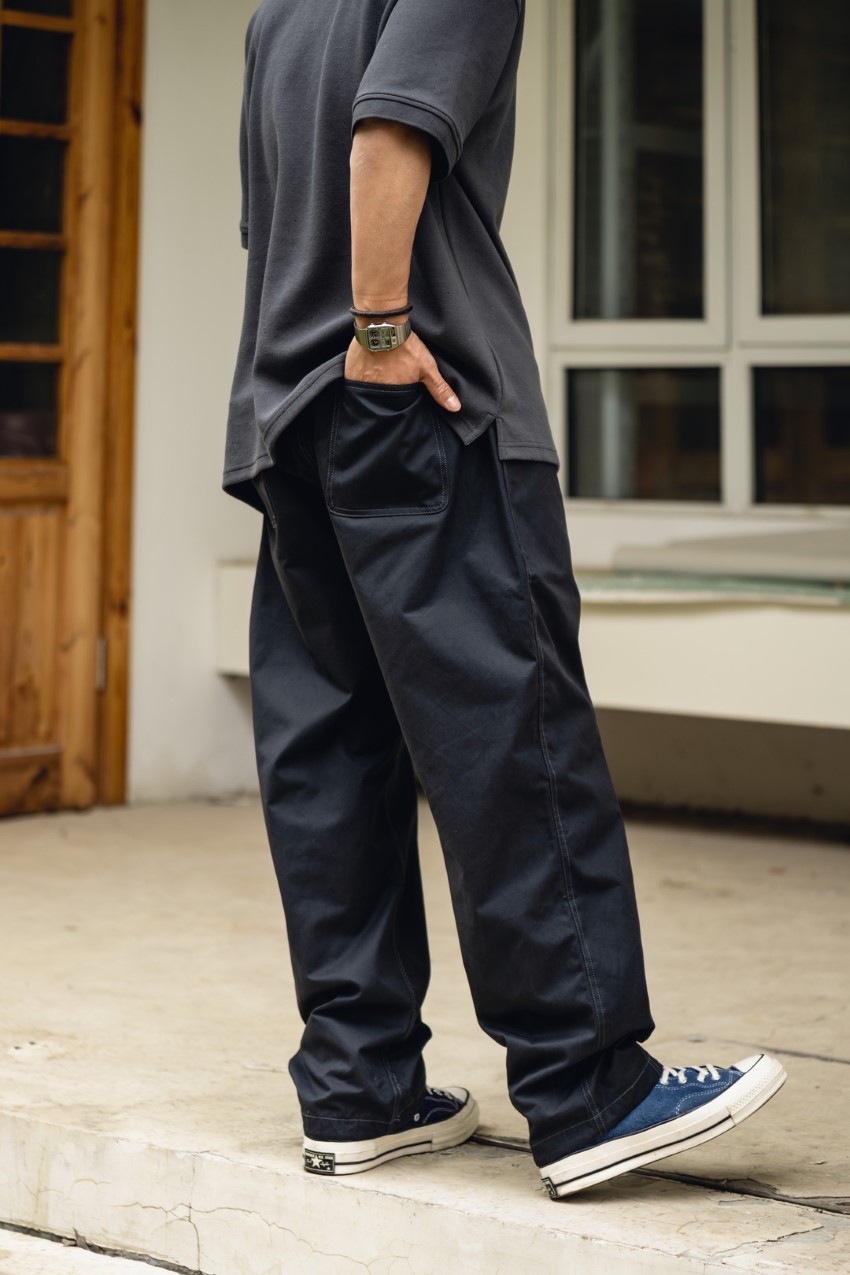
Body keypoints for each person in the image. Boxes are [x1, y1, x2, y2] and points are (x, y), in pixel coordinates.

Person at [224, 0, 786, 1199]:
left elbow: (267, 225)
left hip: (288, 414)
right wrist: (382, 333)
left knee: (332, 750)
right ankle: (587, 1087)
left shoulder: (281, 13)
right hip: (418, 401)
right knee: (508, 728)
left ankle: (360, 1085)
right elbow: (388, 138)